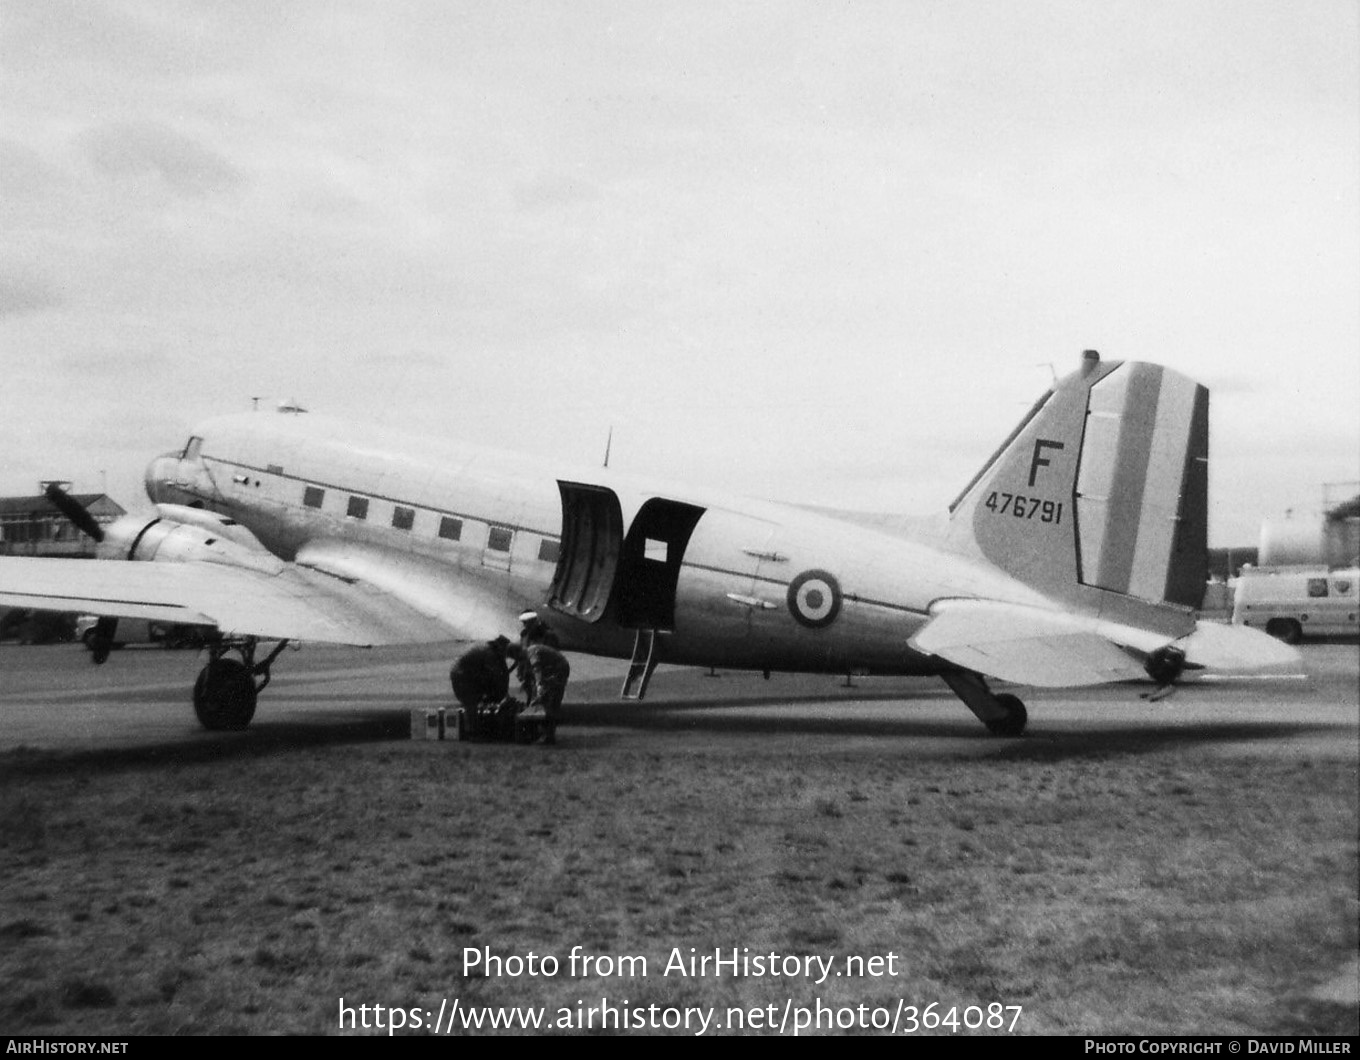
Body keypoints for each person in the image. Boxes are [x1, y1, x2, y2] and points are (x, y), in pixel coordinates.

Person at [448, 635, 512, 708]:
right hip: (462, 680)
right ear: (501, 648)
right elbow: (498, 676)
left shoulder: (491, 652)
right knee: (473, 704)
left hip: (462, 677)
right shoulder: (491, 655)